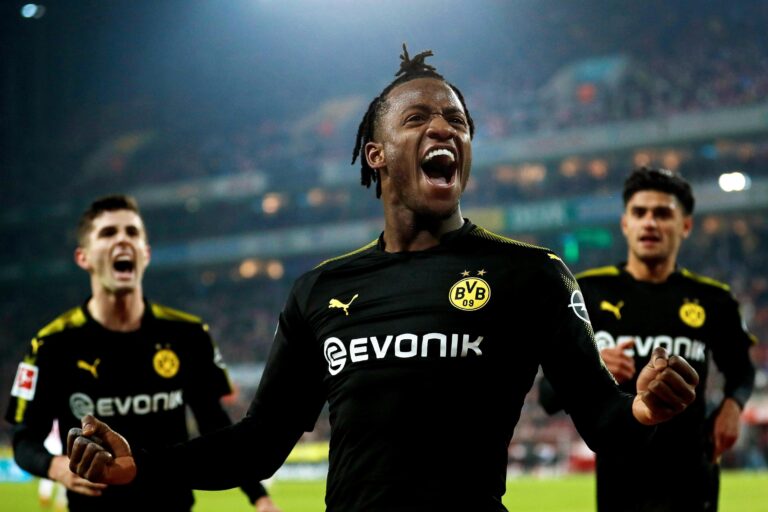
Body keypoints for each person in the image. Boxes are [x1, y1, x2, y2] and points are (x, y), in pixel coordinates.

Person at [66, 47, 699, 512]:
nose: (443, 128)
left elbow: (604, 419)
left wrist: (644, 408)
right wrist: (140, 466)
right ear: (376, 153)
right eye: (417, 118)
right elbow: (258, 444)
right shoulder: (318, 292)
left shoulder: (532, 275)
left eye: (457, 120)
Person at [5, 195, 281, 512]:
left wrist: (259, 497)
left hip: (173, 507)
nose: (122, 239)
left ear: (145, 253)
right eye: (108, 233)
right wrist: (56, 467)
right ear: (84, 257)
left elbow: (215, 425)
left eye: (132, 232)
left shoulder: (188, 334)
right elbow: (24, 438)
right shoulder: (51, 344)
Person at [538, 167, 757, 511]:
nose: (650, 223)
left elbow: (741, 370)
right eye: (639, 213)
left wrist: (734, 406)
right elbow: (547, 396)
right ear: (625, 224)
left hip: (692, 476)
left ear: (686, 225)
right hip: (620, 479)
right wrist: (590, 369)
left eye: (663, 213)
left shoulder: (714, 299)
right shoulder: (587, 293)